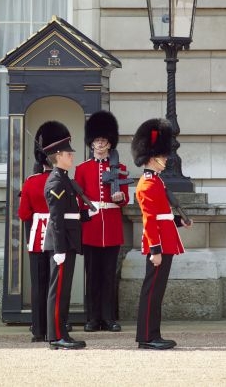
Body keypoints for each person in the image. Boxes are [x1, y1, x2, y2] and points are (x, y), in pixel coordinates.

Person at [131, 118, 193, 350]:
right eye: (163, 156)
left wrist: (179, 221)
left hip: (165, 242)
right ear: (151, 157)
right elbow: (149, 221)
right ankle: (147, 336)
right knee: (152, 292)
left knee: (157, 293)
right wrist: (154, 250)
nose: (166, 159)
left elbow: (162, 216)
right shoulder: (147, 184)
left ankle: (152, 334)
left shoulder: (156, 182)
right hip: (158, 246)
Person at [74, 110, 130, 332]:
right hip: (91, 228)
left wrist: (121, 197)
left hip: (112, 227)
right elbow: (78, 200)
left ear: (109, 143)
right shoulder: (82, 169)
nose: (100, 144)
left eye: (104, 140)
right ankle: (92, 318)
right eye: (97, 140)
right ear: (91, 143)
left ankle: (109, 318)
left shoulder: (120, 168)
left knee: (109, 276)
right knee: (92, 275)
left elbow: (125, 198)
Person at [43, 123, 87, 350]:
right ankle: (56, 336)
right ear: (58, 156)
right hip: (61, 243)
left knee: (64, 289)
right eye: (69, 154)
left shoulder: (65, 179)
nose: (72, 157)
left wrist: (85, 214)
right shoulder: (56, 181)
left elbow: (70, 214)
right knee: (58, 290)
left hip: (68, 241)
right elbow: (57, 218)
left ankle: (62, 332)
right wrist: (59, 249)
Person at [18, 122, 53, 343]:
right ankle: (54, 326)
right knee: (55, 283)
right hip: (59, 235)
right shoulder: (64, 181)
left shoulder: (31, 182)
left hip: (37, 236)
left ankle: (38, 328)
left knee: (38, 283)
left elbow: (23, 214)